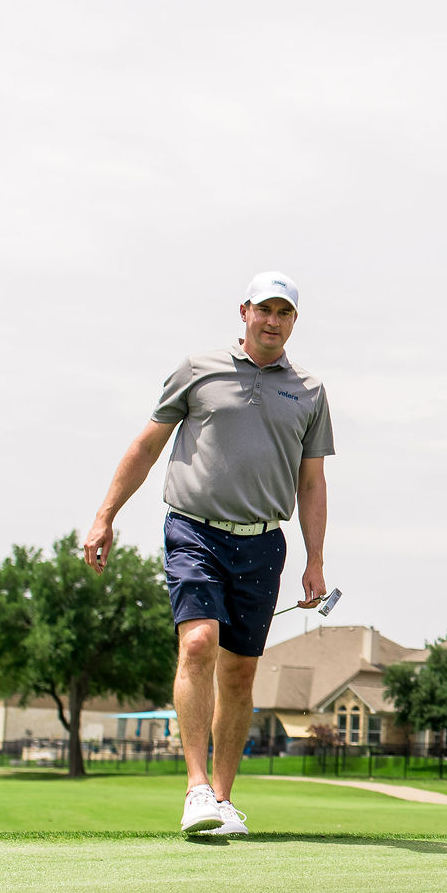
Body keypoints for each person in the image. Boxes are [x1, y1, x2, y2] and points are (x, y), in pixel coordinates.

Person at [82, 273, 334, 836]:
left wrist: (314, 559)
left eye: (284, 313)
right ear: (244, 311)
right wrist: (105, 516)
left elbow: (312, 482)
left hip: (265, 539)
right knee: (198, 643)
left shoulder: (310, 390)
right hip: (194, 529)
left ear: (295, 321)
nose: (272, 320)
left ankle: (222, 802)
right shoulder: (198, 369)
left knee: (241, 673)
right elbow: (147, 445)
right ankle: (196, 789)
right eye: (263, 309)